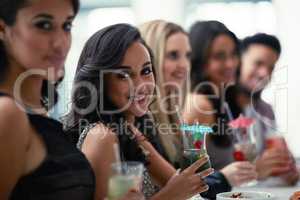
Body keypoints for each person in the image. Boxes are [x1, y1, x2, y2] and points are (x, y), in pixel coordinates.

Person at [65, 23, 213, 200]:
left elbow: (184, 187)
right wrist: (171, 195)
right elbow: (177, 190)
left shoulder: (131, 130)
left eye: (146, 70)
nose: (141, 85)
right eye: (123, 75)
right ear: (100, 81)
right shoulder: (101, 136)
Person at [0, 0, 96, 199]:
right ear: (2, 29)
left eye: (66, 26)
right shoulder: (7, 113)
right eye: (44, 25)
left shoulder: (39, 114)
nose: (60, 43)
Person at [139, 19, 232, 199]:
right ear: (149, 58)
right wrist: (225, 177)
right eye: (173, 55)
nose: (184, 65)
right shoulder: (140, 121)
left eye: (187, 56)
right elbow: (181, 187)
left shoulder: (173, 116)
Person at [183, 20, 257, 187]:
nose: (231, 63)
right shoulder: (200, 105)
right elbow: (189, 175)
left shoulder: (225, 99)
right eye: (219, 56)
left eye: (233, 54)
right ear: (199, 61)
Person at [227, 33, 299, 185]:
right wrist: (254, 170)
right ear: (238, 61)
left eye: (271, 67)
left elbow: (276, 158)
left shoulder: (265, 110)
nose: (264, 73)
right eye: (258, 63)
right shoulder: (218, 108)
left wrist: (289, 169)